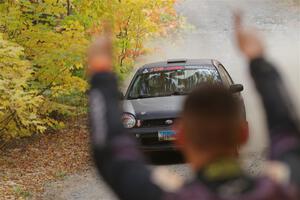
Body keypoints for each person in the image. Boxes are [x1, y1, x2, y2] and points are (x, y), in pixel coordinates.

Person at [87, 14, 300, 200]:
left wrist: (101, 72)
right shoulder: (280, 188)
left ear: (180, 137)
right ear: (243, 133)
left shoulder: (171, 196)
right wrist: (258, 60)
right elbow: (286, 131)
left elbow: (112, 152)